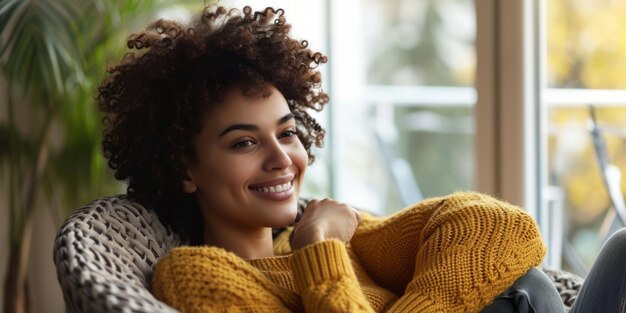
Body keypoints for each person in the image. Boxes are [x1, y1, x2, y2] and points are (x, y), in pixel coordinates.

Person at [96, 4, 625, 313]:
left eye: (287, 132)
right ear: (184, 168)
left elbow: (502, 229)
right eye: (244, 142)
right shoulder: (195, 274)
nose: (282, 158)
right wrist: (319, 245)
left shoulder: (329, 232)